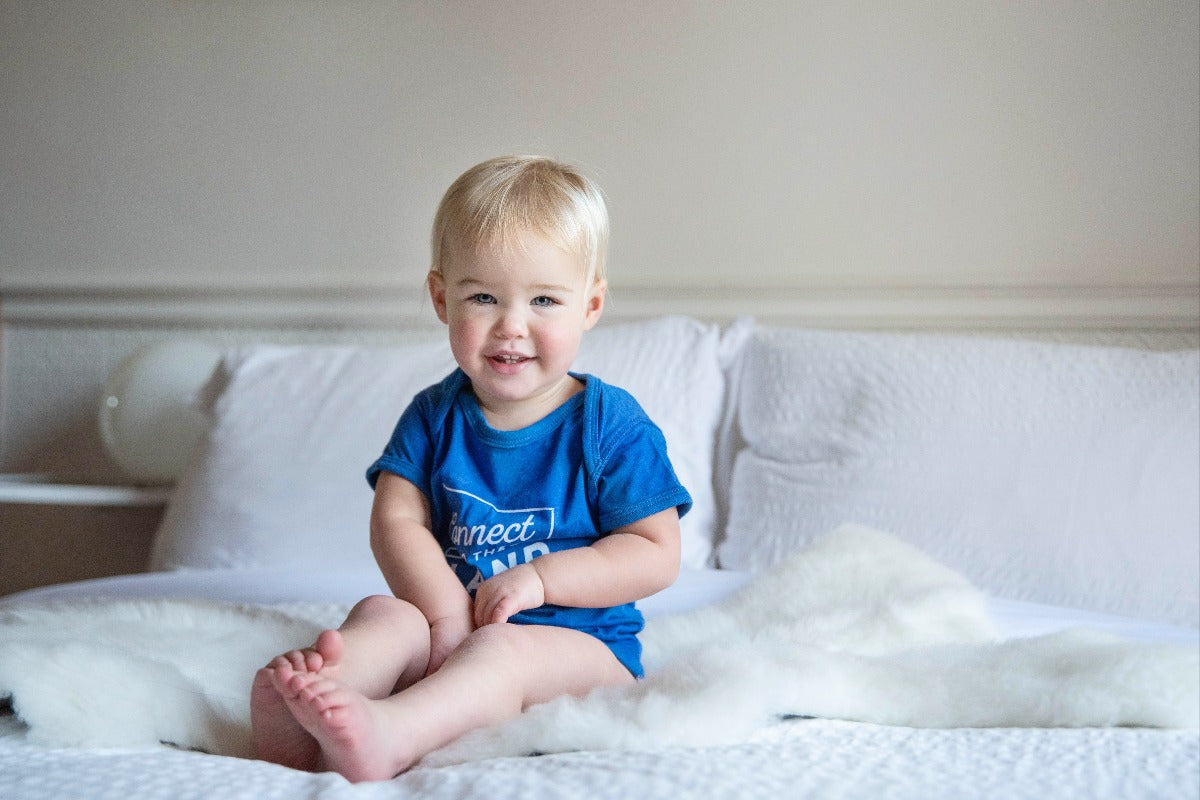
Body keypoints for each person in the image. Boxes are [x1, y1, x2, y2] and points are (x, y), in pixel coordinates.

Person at [249, 155, 691, 782]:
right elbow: (396, 521)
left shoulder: (610, 424)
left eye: (544, 300)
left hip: (582, 654)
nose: (512, 326)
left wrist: (540, 579)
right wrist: (442, 611)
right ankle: (314, 710)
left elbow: (655, 551)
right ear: (440, 298)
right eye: (483, 296)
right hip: (450, 628)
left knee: (501, 650)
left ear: (589, 306)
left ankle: (390, 734)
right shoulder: (434, 414)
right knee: (384, 613)